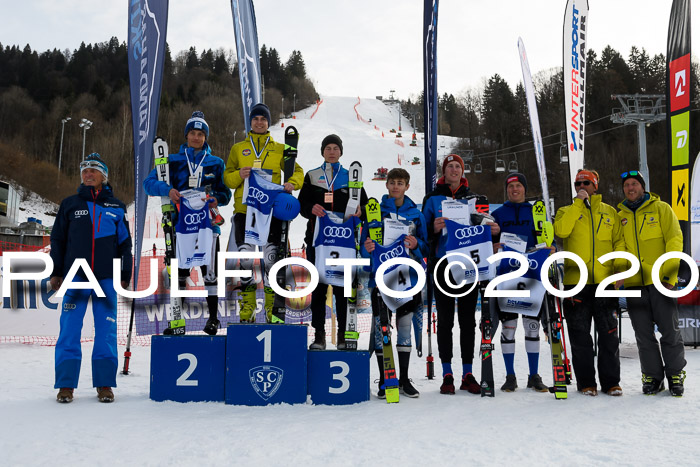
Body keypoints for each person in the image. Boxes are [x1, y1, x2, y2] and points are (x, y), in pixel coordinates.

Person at [50, 153, 132, 403]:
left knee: (106, 331)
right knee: (69, 331)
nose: (87, 174)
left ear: (103, 176)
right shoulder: (70, 204)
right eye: (84, 170)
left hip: (106, 279)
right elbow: (58, 240)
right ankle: (66, 385)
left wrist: (125, 273)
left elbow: (125, 244)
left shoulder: (116, 207)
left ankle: (105, 384)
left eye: (93, 170)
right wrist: (56, 271)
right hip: (76, 278)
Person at [144, 111, 231, 335]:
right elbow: (148, 183)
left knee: (210, 271)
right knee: (180, 273)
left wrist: (216, 199)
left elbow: (225, 193)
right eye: (192, 133)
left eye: (200, 134)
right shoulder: (172, 161)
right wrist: (168, 190)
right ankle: (177, 321)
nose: (196, 137)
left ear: (205, 137)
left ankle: (213, 319)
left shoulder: (215, 163)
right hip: (179, 226)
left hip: (208, 226)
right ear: (186, 135)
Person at [422, 154, 500, 395]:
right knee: (445, 321)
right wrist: (433, 229)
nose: (454, 170)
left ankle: (467, 372)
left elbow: (486, 229)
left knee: (467, 320)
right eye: (449, 167)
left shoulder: (475, 199)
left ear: (462, 172)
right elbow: (423, 234)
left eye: (458, 167)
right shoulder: (432, 198)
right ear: (444, 171)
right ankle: (447, 374)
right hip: (443, 263)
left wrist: (495, 232)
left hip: (468, 264)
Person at [223, 103, 304, 323]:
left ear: (269, 123)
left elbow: (298, 171)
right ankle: (247, 308)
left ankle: (271, 308)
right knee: (246, 260)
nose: (260, 122)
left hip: (271, 212)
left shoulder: (279, 148)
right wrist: (239, 174)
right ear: (250, 122)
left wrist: (291, 183)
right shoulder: (238, 148)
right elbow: (227, 178)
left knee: (271, 260)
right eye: (256, 118)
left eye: (264, 119)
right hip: (244, 211)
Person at [553, 169, 624, 396]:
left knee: (609, 335)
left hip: (605, 283)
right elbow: (560, 231)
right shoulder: (566, 210)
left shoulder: (610, 212)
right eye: (577, 183)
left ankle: (611, 382)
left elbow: (619, 244)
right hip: (577, 282)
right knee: (580, 336)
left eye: (586, 183)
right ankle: (586, 383)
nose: (581, 186)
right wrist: (577, 205)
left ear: (595, 186)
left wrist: (620, 270)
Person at [616, 170, 686, 396]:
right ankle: (652, 377)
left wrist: (669, 276)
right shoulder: (621, 216)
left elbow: (675, 241)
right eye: (627, 185)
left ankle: (675, 375)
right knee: (643, 334)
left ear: (643, 187)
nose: (630, 188)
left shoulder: (661, 209)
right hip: (636, 284)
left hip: (661, 282)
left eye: (634, 183)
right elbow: (620, 249)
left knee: (669, 331)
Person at [361, 168, 429, 398]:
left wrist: (416, 244)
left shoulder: (416, 214)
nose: (396, 186)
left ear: (407, 186)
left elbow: (426, 247)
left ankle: (404, 379)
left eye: (401, 183)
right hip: (380, 277)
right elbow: (363, 244)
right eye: (392, 182)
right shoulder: (375, 212)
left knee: (405, 328)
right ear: (387, 185)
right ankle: (384, 378)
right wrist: (367, 248)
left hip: (407, 277)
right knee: (382, 329)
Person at [298, 134, 367, 349]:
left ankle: (343, 335)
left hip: (344, 243)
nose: (331, 151)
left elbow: (364, 206)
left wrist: (360, 211)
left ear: (341, 152)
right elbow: (301, 205)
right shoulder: (312, 175)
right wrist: (311, 208)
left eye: (335, 148)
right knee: (318, 289)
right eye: (328, 147)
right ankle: (319, 334)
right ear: (322, 151)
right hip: (317, 241)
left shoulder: (351, 177)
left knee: (342, 290)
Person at [490, 173, 549, 392]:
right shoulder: (497, 214)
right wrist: (493, 243)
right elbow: (488, 244)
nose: (515, 189)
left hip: (532, 276)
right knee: (509, 327)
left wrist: (549, 247)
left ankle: (534, 375)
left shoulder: (536, 212)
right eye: (511, 186)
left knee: (532, 327)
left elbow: (546, 238)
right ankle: (510, 376)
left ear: (524, 188)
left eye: (518, 186)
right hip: (506, 276)